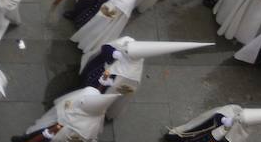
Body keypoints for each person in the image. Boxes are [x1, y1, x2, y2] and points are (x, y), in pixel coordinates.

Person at [80, 38, 212, 119]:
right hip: (100, 68)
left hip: (104, 84)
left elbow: (121, 89)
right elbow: (106, 47)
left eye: (127, 51)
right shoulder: (127, 42)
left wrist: (109, 83)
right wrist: (113, 53)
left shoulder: (131, 74)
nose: (125, 49)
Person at [6, 87, 120, 142]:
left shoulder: (84, 127)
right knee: (42, 127)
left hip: (62, 131)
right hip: (58, 119)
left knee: (46, 140)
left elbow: (68, 140)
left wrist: (54, 135)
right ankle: (27, 137)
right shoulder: (90, 93)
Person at [63, 0, 165, 53]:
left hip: (106, 10)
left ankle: (84, 33)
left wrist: (106, 7)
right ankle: (74, 14)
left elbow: (108, 16)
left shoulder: (126, 1)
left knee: (93, 20)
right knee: (83, 3)